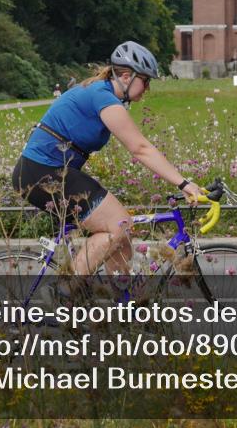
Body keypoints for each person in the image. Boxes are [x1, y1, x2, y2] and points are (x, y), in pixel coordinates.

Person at [12, 41, 203, 279]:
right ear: (125, 76)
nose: (147, 88)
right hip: (42, 171)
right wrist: (184, 184)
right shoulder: (102, 97)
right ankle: (63, 288)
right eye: (145, 80)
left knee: (121, 237)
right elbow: (140, 148)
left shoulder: (103, 93)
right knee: (120, 223)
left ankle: (122, 307)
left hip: (50, 170)